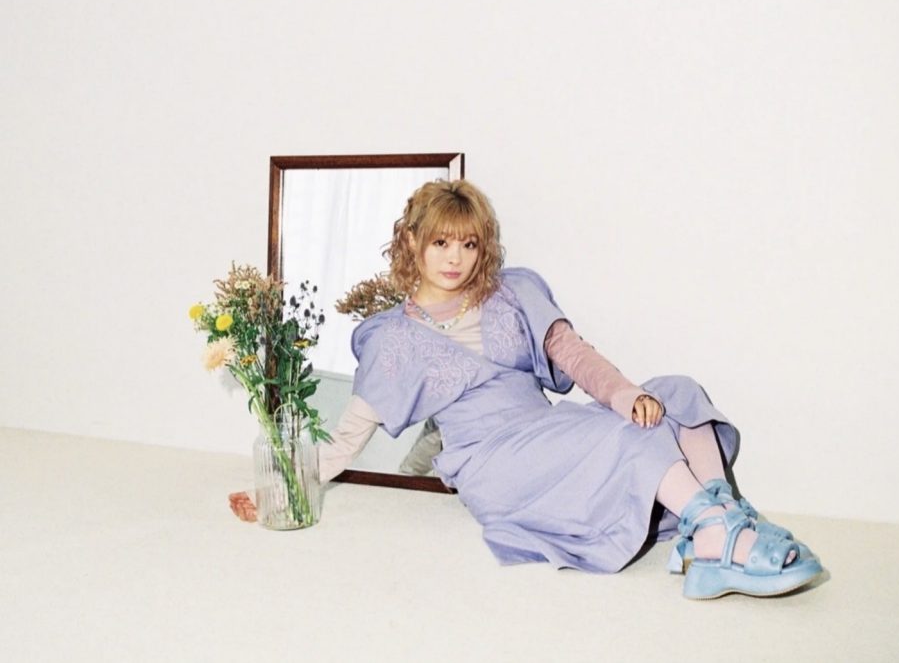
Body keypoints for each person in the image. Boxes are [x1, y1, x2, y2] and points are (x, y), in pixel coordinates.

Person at [229, 179, 824, 599]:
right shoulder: (392, 338)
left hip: (544, 430)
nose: (455, 258)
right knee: (630, 440)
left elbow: (574, 354)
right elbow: (348, 436)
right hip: (493, 461)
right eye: (440, 242)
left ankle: (720, 521)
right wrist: (282, 489)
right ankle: (719, 539)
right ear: (411, 242)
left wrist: (625, 396)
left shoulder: (511, 292)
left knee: (678, 391)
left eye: (468, 244)